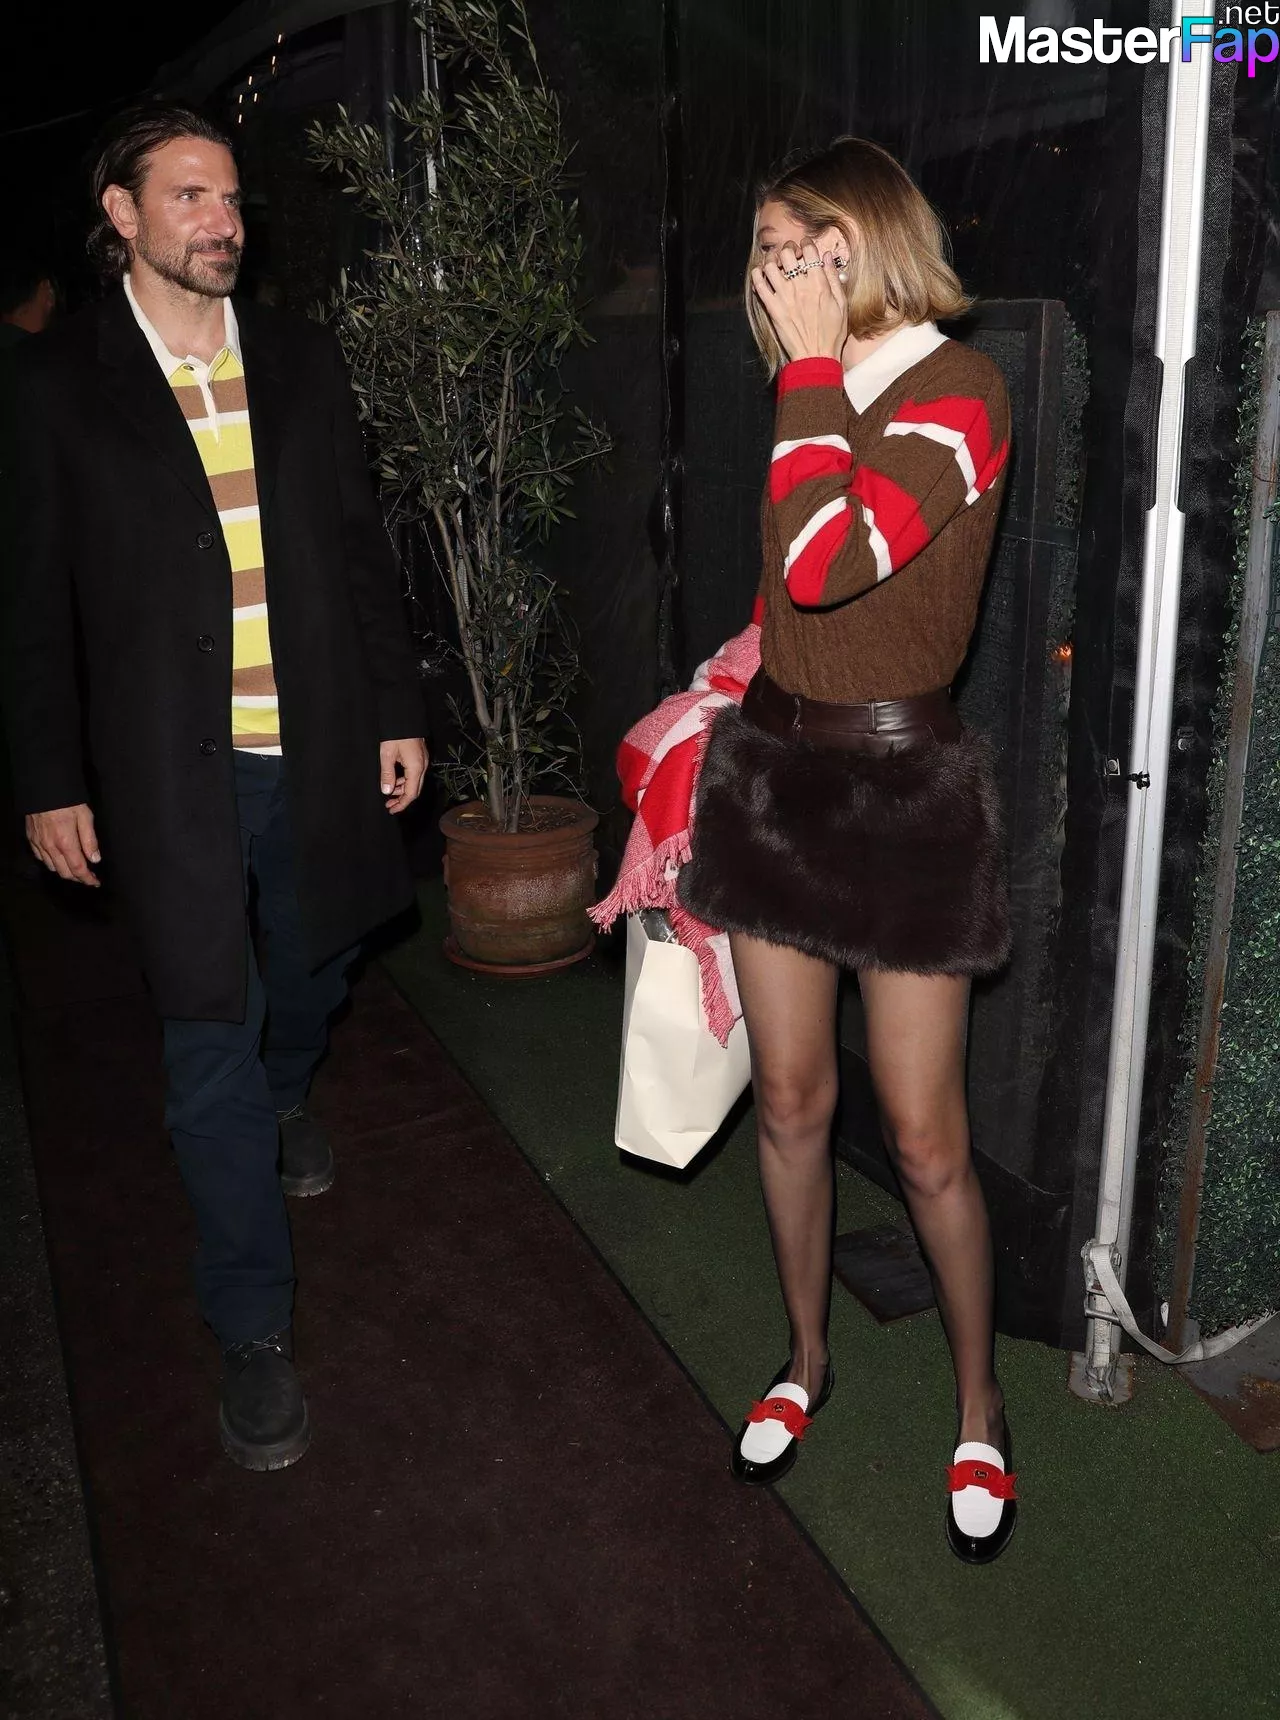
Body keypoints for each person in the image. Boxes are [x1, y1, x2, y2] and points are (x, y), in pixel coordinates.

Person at [2, 104, 428, 1472]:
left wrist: (396, 709)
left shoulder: (300, 359)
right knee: (206, 1037)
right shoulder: (57, 382)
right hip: (166, 774)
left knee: (316, 963)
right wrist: (48, 778)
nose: (221, 220)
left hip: (318, 749)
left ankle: (289, 1083)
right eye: (188, 195)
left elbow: (358, 549)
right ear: (120, 213)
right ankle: (251, 1323)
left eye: (230, 196)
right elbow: (31, 603)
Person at [676, 137, 1017, 1563]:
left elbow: (832, 560)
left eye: (806, 248)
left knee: (926, 1138)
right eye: (766, 253)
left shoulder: (960, 387)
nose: (780, 276)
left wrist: (811, 368)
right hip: (774, 777)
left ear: (871, 241)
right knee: (790, 1102)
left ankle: (980, 1407)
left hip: (905, 792)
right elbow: (788, 606)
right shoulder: (806, 388)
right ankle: (806, 1360)